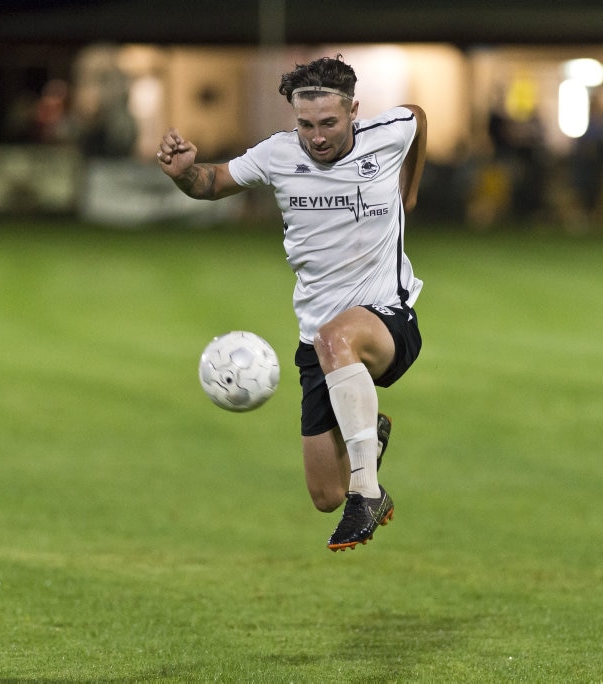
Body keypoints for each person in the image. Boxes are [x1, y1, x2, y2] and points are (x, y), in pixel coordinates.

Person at [157, 55, 427, 552]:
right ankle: (370, 443)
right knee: (326, 494)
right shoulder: (279, 155)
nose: (317, 136)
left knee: (337, 337)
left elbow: (418, 119)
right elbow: (213, 182)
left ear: (353, 112)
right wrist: (183, 174)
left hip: (388, 320)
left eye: (328, 123)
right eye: (305, 124)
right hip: (318, 341)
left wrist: (407, 190)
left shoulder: (387, 133)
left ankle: (368, 493)